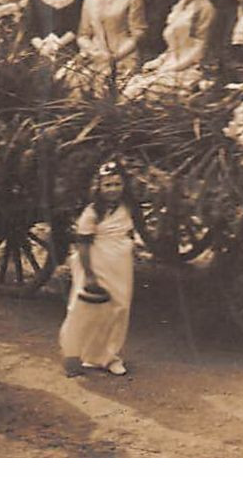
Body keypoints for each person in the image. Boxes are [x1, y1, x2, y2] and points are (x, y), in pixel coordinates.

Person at [60, 162, 136, 378]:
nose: (113, 189)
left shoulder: (127, 209)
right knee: (84, 310)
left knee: (119, 308)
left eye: (117, 184)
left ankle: (109, 357)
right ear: (99, 188)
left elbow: (130, 232)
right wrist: (90, 274)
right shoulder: (92, 212)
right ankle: (74, 355)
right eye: (108, 185)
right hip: (96, 264)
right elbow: (83, 244)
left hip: (120, 267)